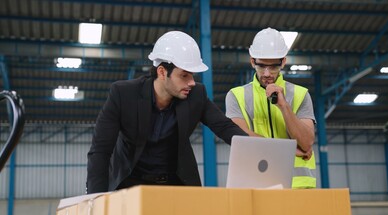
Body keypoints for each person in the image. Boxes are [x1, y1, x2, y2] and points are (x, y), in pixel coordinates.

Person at [87, 31, 247, 194]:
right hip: (129, 183)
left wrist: (253, 149)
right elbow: (100, 150)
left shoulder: (196, 95)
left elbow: (225, 127)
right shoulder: (123, 94)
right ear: (162, 72)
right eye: (184, 75)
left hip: (174, 183)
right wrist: (95, 198)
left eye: (192, 75)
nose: (191, 82)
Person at [225, 27, 316, 189]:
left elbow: (306, 143)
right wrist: (288, 150)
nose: (267, 73)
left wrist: (284, 106)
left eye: (273, 67)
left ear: (283, 62)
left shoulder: (300, 95)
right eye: (261, 66)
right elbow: (240, 138)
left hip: (298, 187)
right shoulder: (236, 96)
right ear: (252, 61)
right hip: (254, 184)